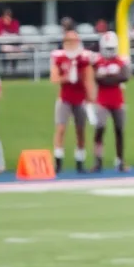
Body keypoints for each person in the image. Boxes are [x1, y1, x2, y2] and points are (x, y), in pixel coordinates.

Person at [49, 29, 96, 173]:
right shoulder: (59, 57)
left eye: (74, 40)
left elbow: (89, 79)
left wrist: (91, 98)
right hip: (65, 97)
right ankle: (58, 161)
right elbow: (54, 78)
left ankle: (80, 161)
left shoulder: (84, 58)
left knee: (80, 131)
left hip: (80, 98)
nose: (72, 43)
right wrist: (67, 78)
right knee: (61, 129)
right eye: (69, 41)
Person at [92, 31, 130, 173]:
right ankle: (98, 161)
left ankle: (120, 160)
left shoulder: (121, 61)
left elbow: (125, 76)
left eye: (111, 49)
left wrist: (107, 78)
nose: (110, 52)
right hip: (102, 100)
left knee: (119, 130)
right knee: (99, 130)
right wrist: (113, 78)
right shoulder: (97, 61)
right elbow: (97, 78)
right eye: (107, 49)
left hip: (117, 100)